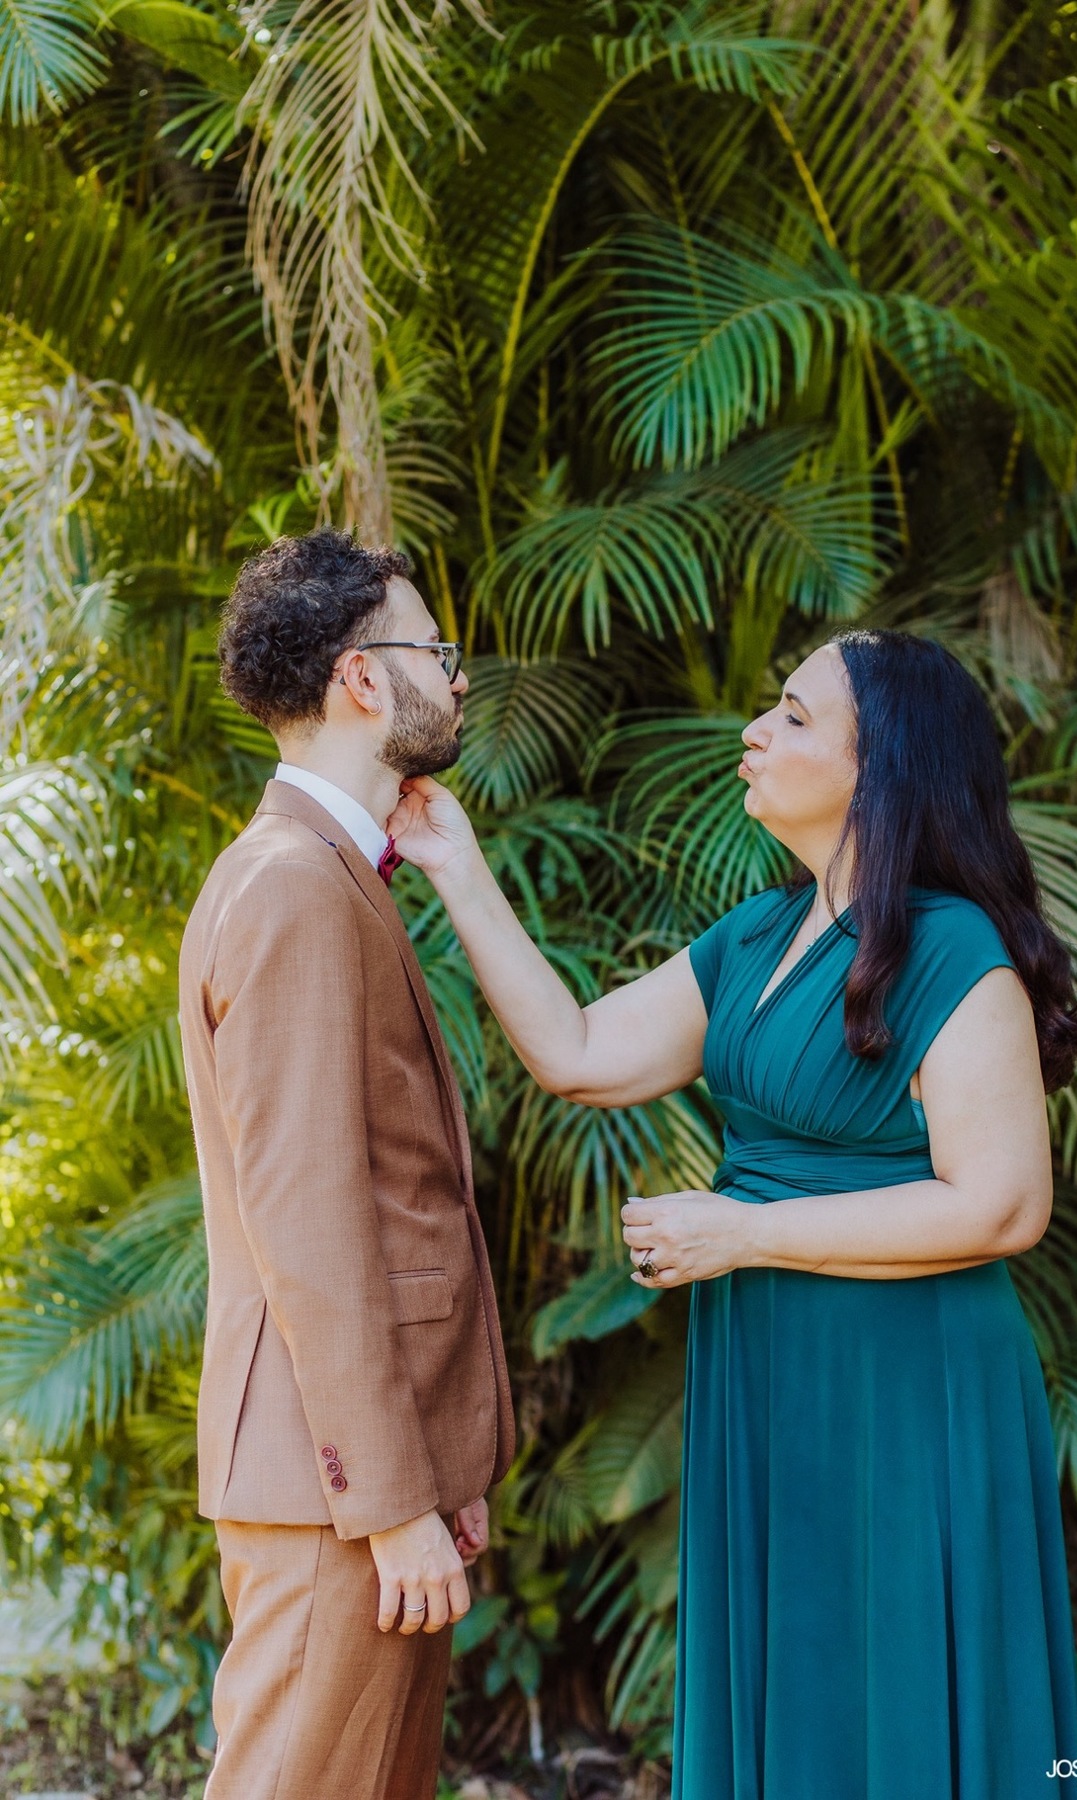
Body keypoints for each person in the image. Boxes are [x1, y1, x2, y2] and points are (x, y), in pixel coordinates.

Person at [388, 628, 1077, 1799]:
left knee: (900, 1687)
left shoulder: (955, 949)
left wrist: (745, 1232)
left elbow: (1005, 1204)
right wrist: (458, 868)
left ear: (885, 771)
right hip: (769, 1367)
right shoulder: (759, 936)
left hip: (907, 1384)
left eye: (797, 716)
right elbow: (579, 1052)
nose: (755, 731)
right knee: (800, 1678)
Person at [179, 528, 514, 1800]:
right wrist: (388, 1501)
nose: (458, 676)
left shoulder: (320, 873)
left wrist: (437, 1469)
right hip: (334, 1498)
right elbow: (311, 1227)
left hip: (366, 1479)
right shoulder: (291, 888)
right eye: (436, 648)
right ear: (364, 679)